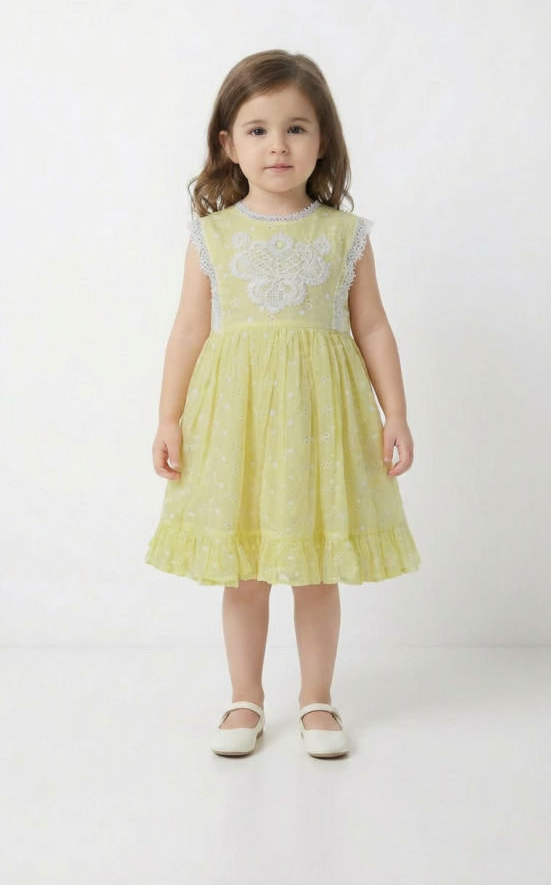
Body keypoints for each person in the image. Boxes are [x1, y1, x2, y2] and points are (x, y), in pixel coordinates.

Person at [145, 48, 421, 758]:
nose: (278, 145)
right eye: (258, 129)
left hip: (321, 424)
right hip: (234, 424)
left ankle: (317, 700)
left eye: (296, 128)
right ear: (228, 145)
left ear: (322, 140)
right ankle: (245, 698)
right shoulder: (212, 235)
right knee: (245, 572)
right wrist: (169, 417)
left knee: (317, 570)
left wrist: (395, 412)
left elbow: (372, 328)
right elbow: (188, 331)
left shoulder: (344, 235)